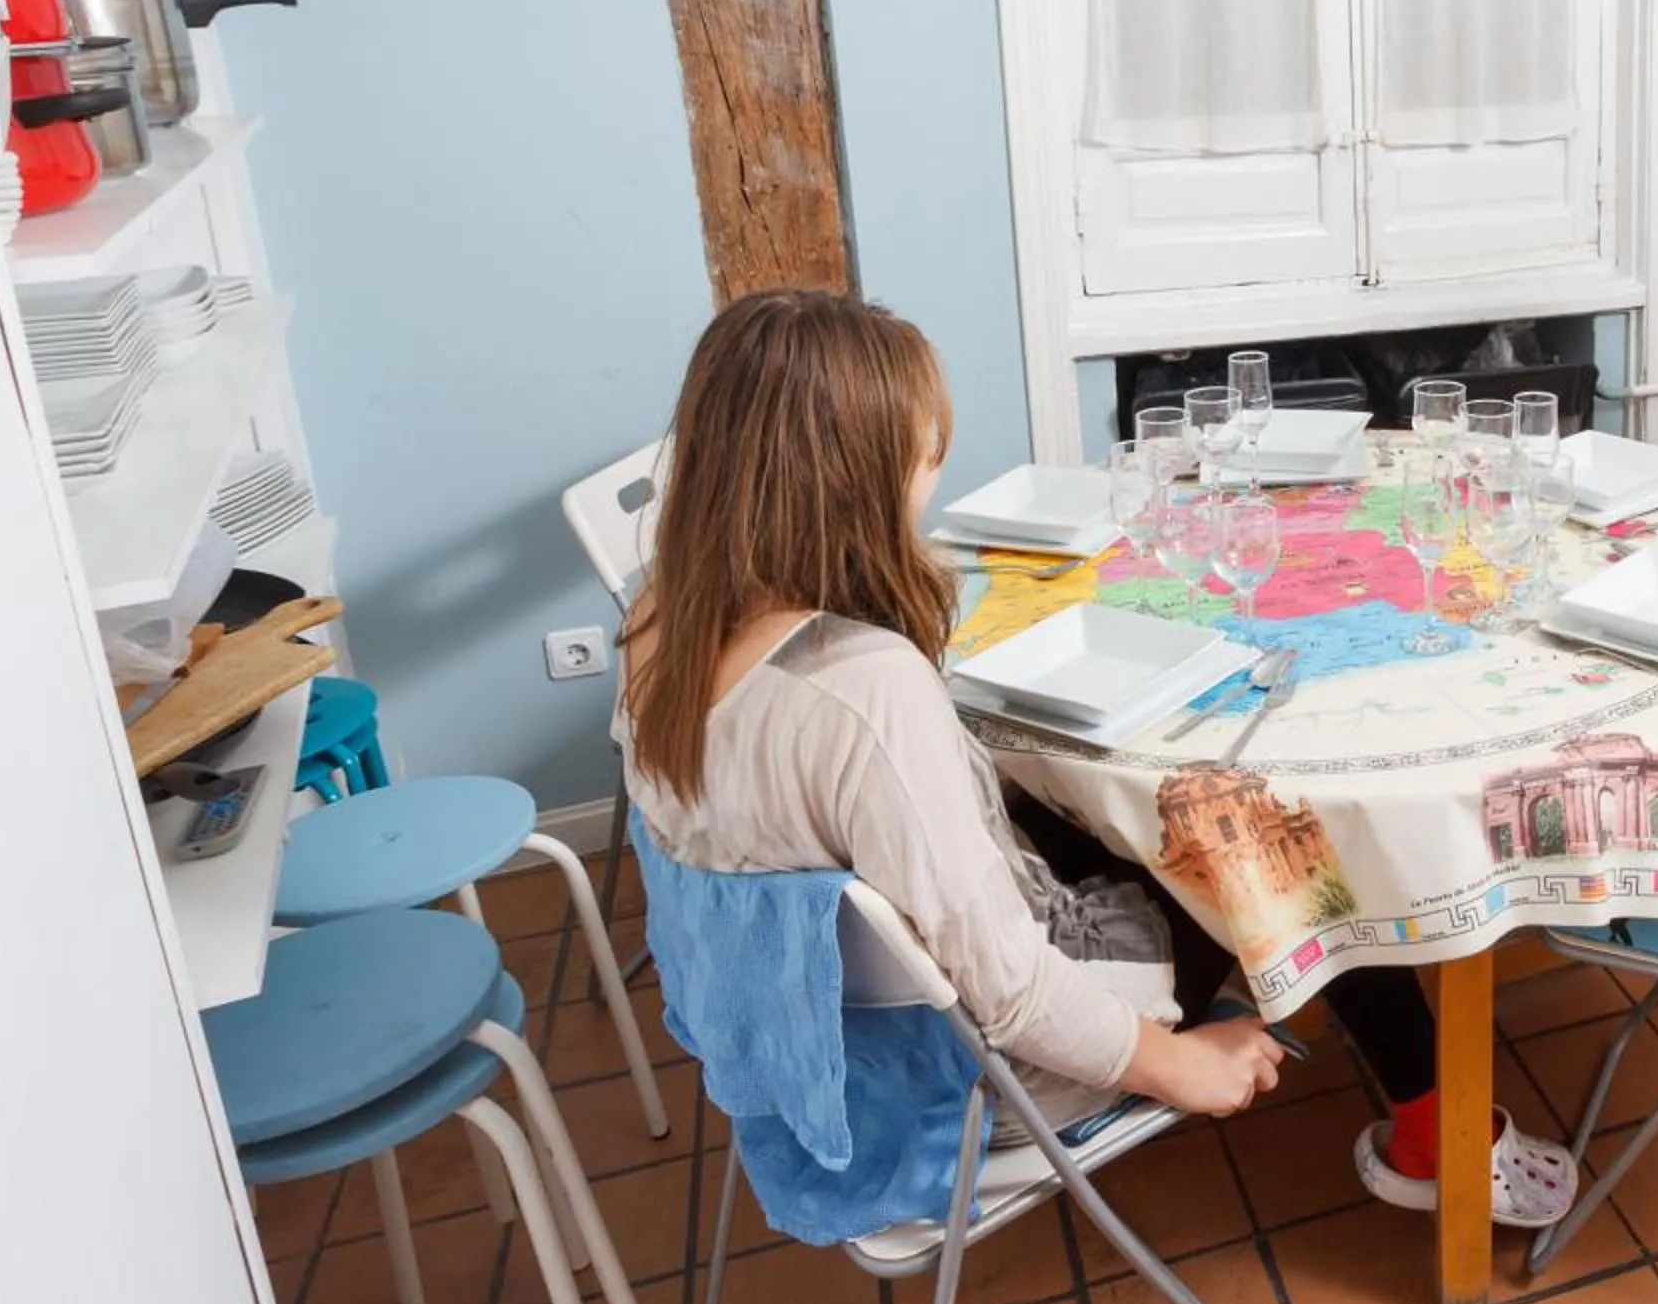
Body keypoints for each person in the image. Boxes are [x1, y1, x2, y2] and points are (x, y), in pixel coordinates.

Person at [614, 289, 1574, 1221]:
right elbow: (1014, 993)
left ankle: (1411, 1103)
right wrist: (1182, 1068)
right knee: (1295, 838)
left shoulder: (662, 622)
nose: (931, 476)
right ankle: (1432, 1132)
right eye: (921, 453)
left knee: (1092, 798)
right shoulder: (863, 688)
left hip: (820, 1030)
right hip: (983, 1069)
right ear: (854, 479)